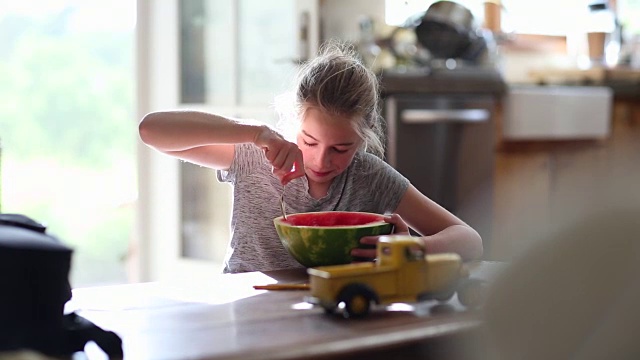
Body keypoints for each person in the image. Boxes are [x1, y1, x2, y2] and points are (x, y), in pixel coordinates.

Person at [138, 40, 483, 273]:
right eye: (309, 141)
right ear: (293, 121)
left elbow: (469, 240)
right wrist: (253, 132)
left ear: (364, 139)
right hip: (243, 310)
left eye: (341, 149)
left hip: (333, 315)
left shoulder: (369, 175)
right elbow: (151, 130)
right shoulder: (254, 155)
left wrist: (411, 251)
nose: (320, 161)